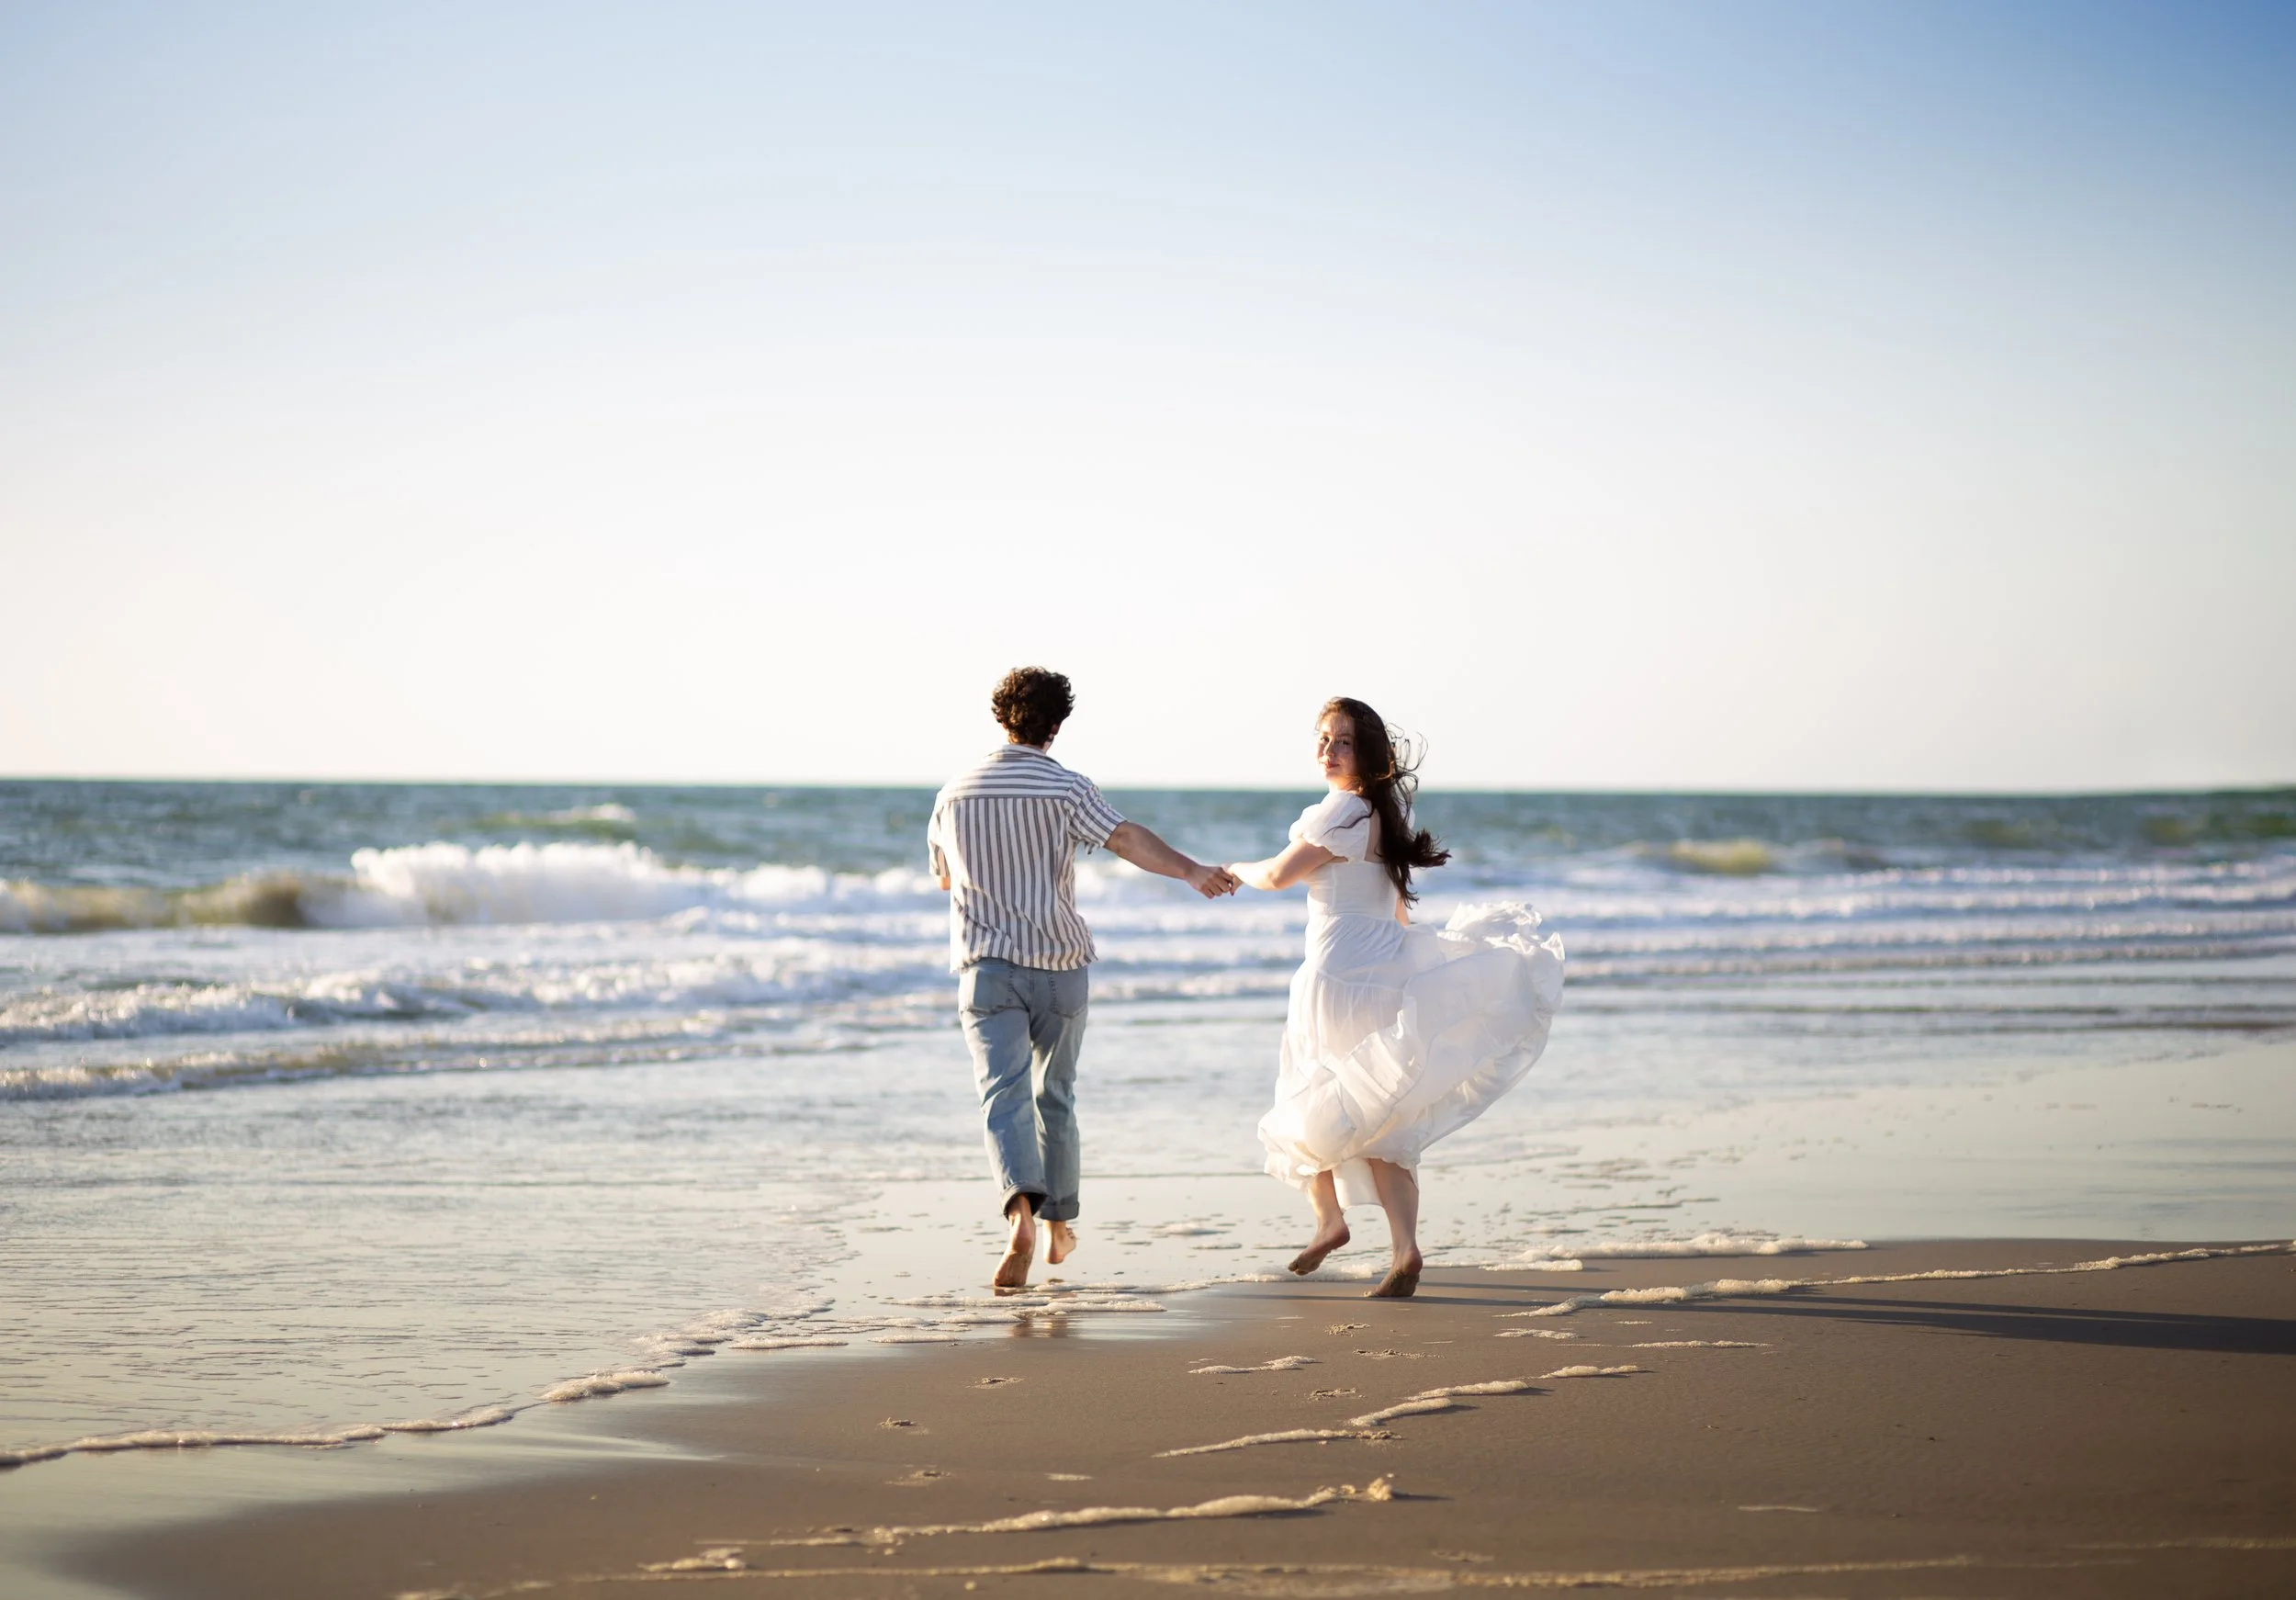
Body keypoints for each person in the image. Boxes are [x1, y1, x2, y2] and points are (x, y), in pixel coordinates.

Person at [1225, 697, 1564, 1298]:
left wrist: (1231, 867)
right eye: (1323, 739)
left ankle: (1330, 1221)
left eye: (1343, 742)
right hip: (1383, 974)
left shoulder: (1340, 811)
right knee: (1387, 1116)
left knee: (1312, 1094)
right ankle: (1405, 1250)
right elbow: (1400, 910)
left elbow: (1278, 875)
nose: (1328, 751)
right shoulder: (1386, 816)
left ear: (1369, 755)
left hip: (1334, 978)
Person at [929, 667, 1239, 1289]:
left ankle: (1019, 1212)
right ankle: (1058, 1228)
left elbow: (944, 877)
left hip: (987, 971)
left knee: (1003, 1098)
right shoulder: (1066, 788)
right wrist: (1190, 871)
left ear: (1001, 718)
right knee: (1056, 1097)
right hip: (1061, 968)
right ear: (1057, 722)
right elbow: (1123, 838)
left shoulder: (954, 792)